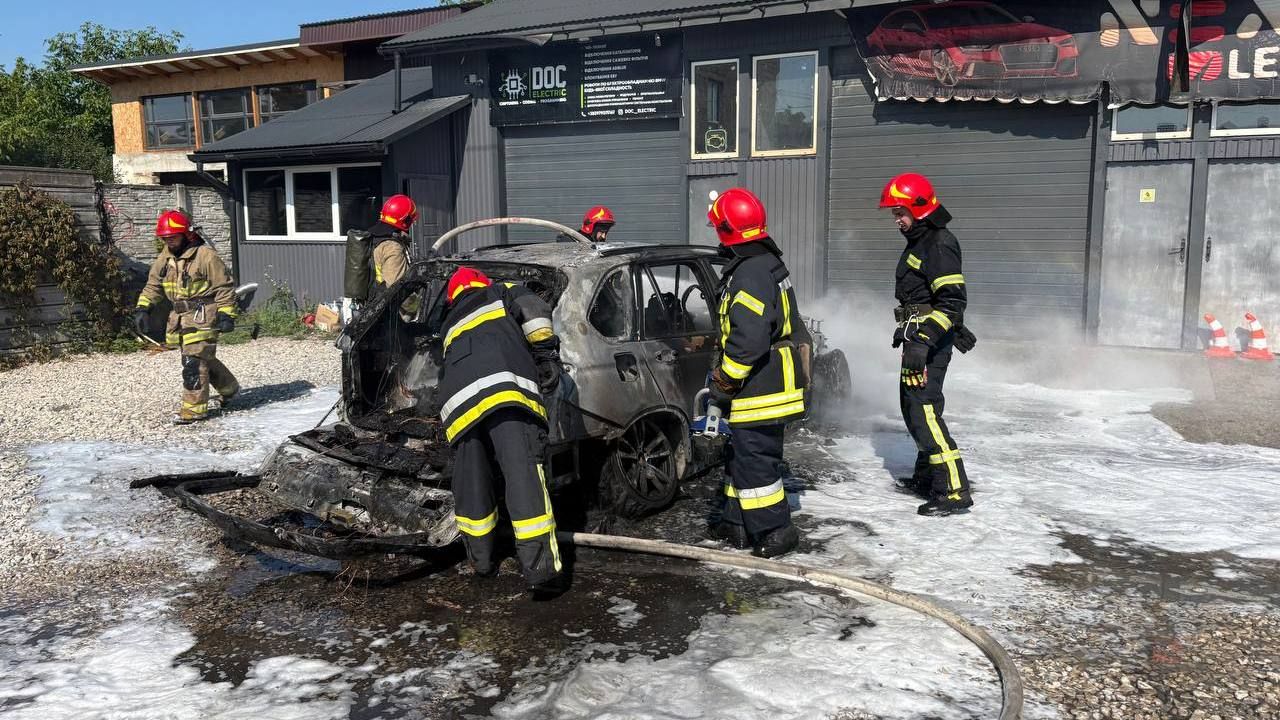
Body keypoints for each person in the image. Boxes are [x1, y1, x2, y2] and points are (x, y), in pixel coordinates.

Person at [437, 266, 565, 594]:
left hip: (459, 407)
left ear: (453, 297)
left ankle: (481, 562)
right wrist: (545, 352)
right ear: (483, 282)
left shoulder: (449, 323)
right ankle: (541, 572)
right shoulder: (503, 290)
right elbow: (536, 314)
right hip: (507, 392)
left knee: (472, 483)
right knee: (523, 478)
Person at [705, 187, 806, 558]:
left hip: (761, 385)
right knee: (741, 455)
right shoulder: (764, 262)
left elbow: (747, 341)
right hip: (768, 381)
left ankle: (776, 531)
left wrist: (724, 381)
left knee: (756, 461)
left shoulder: (749, 273)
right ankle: (737, 524)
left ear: (727, 230)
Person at [878, 173, 978, 516]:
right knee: (912, 409)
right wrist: (907, 328)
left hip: (929, 345)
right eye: (894, 214)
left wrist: (921, 341)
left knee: (924, 411)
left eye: (899, 213)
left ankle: (952, 490)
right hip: (918, 340)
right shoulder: (920, 241)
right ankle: (926, 477)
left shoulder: (938, 243)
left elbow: (951, 302)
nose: (896, 220)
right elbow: (921, 295)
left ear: (919, 209)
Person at [133, 209, 240, 425]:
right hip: (180, 316)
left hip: (203, 314)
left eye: (172, 237)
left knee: (193, 360)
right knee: (202, 357)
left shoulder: (205, 256)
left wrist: (227, 314)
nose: (169, 242)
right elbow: (153, 285)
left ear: (186, 234)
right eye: (165, 238)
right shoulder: (166, 257)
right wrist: (142, 309)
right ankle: (230, 388)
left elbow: (224, 287)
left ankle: (194, 410)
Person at [369, 194, 418, 295]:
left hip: (372, 302)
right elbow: (395, 290)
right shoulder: (392, 247)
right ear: (406, 220)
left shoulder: (373, 238)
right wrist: (414, 304)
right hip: (390, 309)